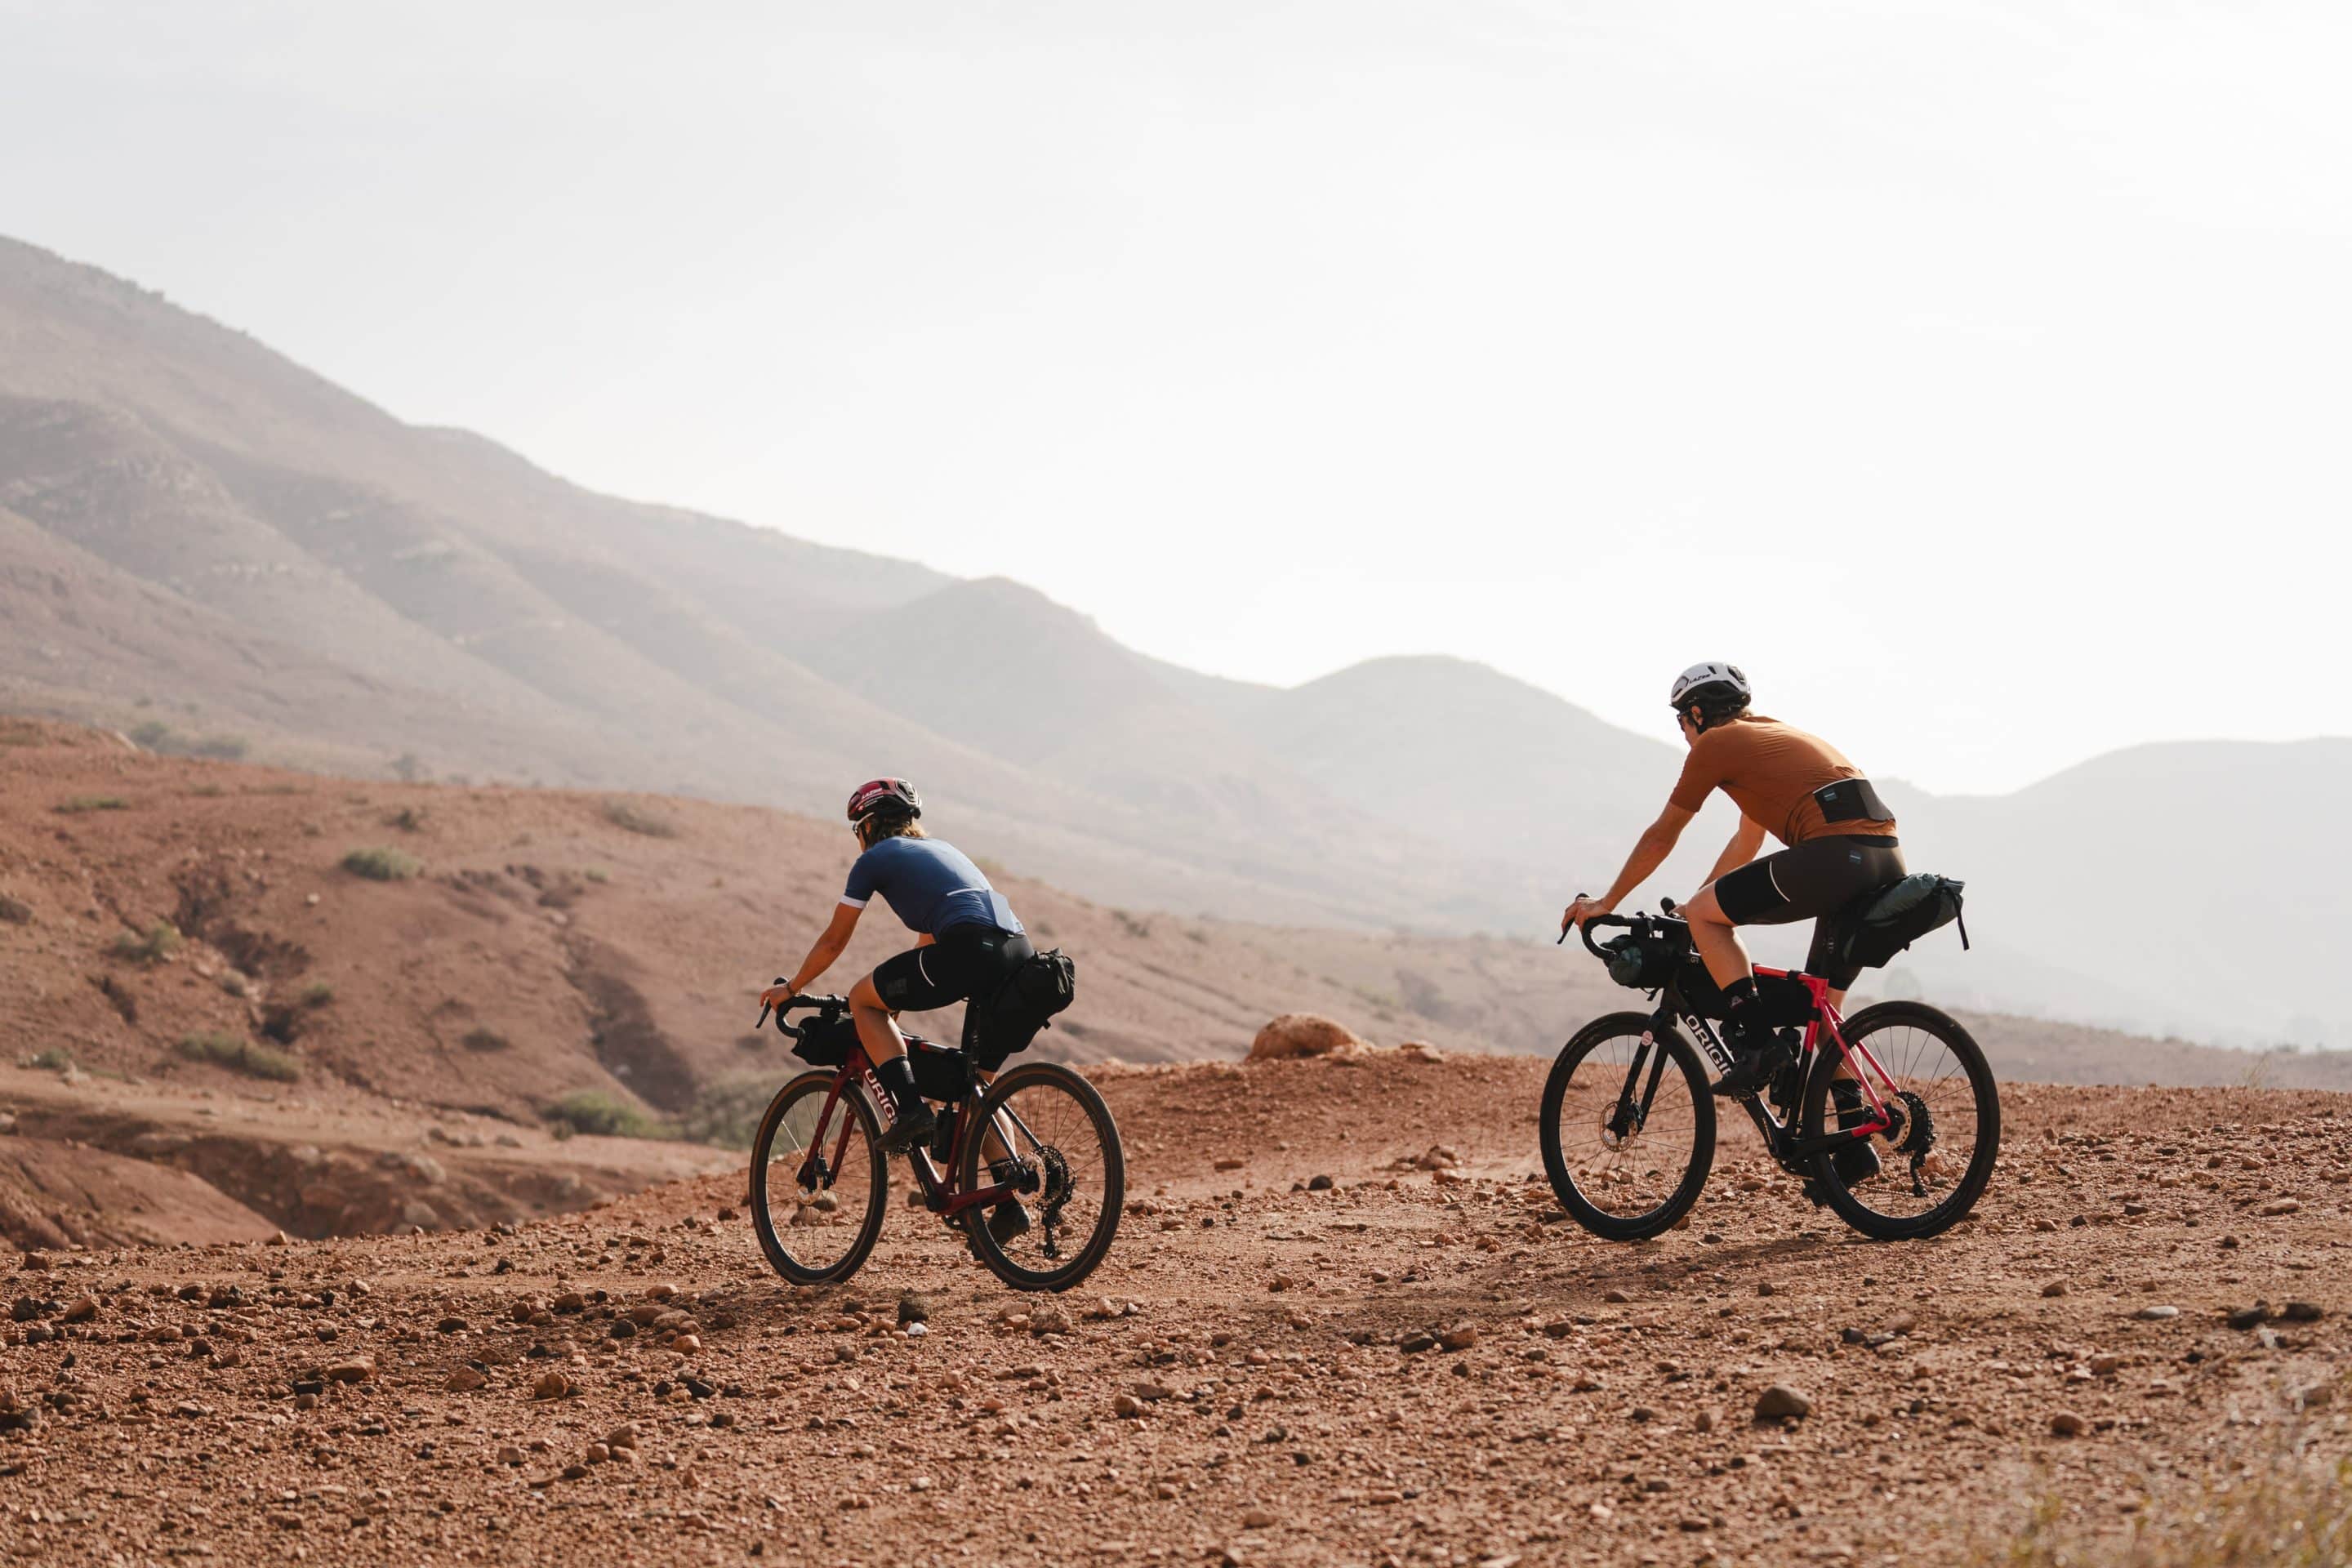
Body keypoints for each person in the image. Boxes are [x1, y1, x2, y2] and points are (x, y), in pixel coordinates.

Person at [1561, 666, 1904, 1172]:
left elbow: (1664, 833)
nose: (1683, 732)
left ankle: (1759, 1043)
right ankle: (1854, 1143)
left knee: (1710, 917)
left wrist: (1607, 901)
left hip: (1835, 857)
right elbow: (1749, 839)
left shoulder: (1717, 744)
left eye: (1682, 720)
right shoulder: (1770, 739)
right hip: (1883, 859)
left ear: (1698, 712)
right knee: (1823, 1013)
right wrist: (1697, 907)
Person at [759, 778, 1036, 1235]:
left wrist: (793, 986)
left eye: (857, 830)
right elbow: (926, 944)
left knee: (862, 1000)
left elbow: (834, 940)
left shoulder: (875, 858)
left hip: (968, 949)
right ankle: (1008, 1197)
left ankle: (910, 1113)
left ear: (867, 826)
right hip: (1018, 955)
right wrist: (895, 1009)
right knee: (977, 1090)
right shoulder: (943, 852)